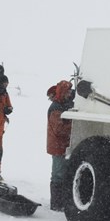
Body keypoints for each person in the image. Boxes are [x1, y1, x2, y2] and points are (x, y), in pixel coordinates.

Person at [47, 80, 74, 211]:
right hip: (58, 146)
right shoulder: (56, 108)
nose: (70, 93)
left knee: (62, 174)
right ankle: (56, 204)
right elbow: (59, 129)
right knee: (58, 175)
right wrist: (74, 125)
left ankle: (60, 202)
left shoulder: (62, 105)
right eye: (68, 91)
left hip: (62, 145)